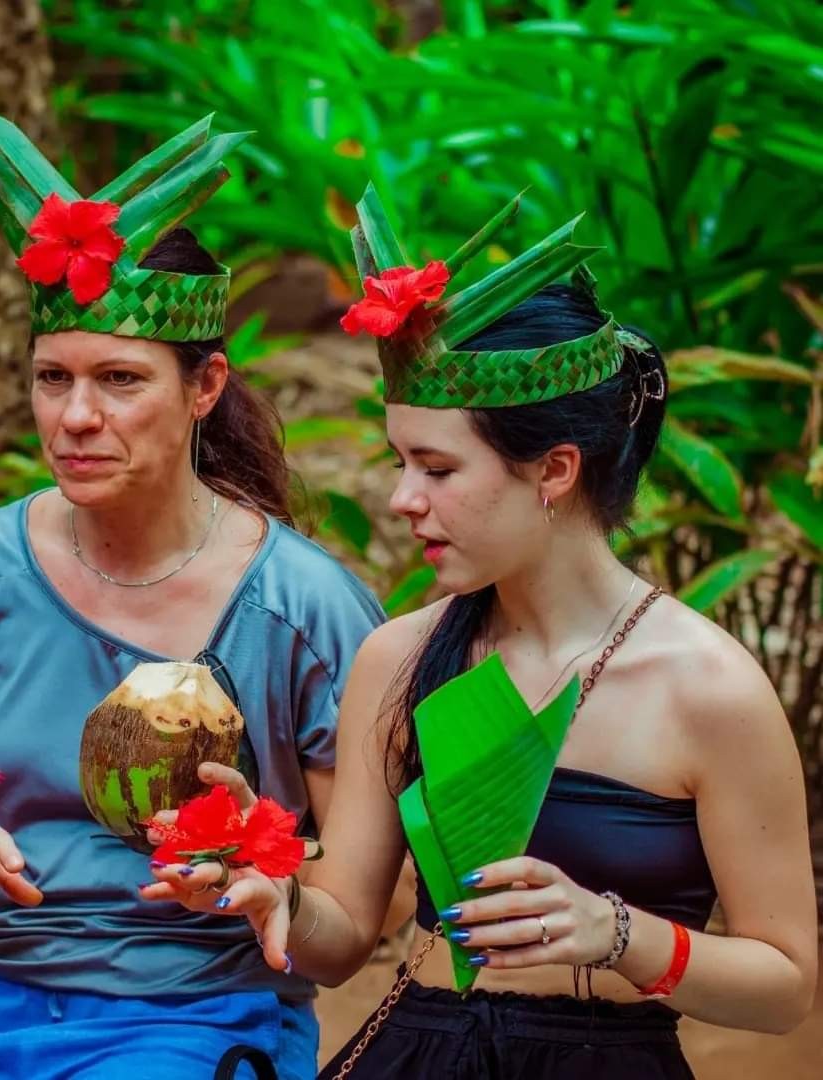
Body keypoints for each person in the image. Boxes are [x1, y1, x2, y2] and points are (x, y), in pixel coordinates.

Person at [143, 188, 818, 1078]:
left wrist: (619, 934)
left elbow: (786, 986)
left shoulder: (708, 689)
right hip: (422, 1049)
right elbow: (342, 938)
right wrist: (276, 896)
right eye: (400, 462)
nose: (402, 498)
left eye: (437, 468)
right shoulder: (401, 657)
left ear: (555, 470)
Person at [0, 109, 383, 1080]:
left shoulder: (302, 607)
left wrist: (276, 892)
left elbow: (359, 923)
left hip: (195, 1014)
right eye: (51, 378)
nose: (76, 416)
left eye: (119, 379)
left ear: (204, 387)